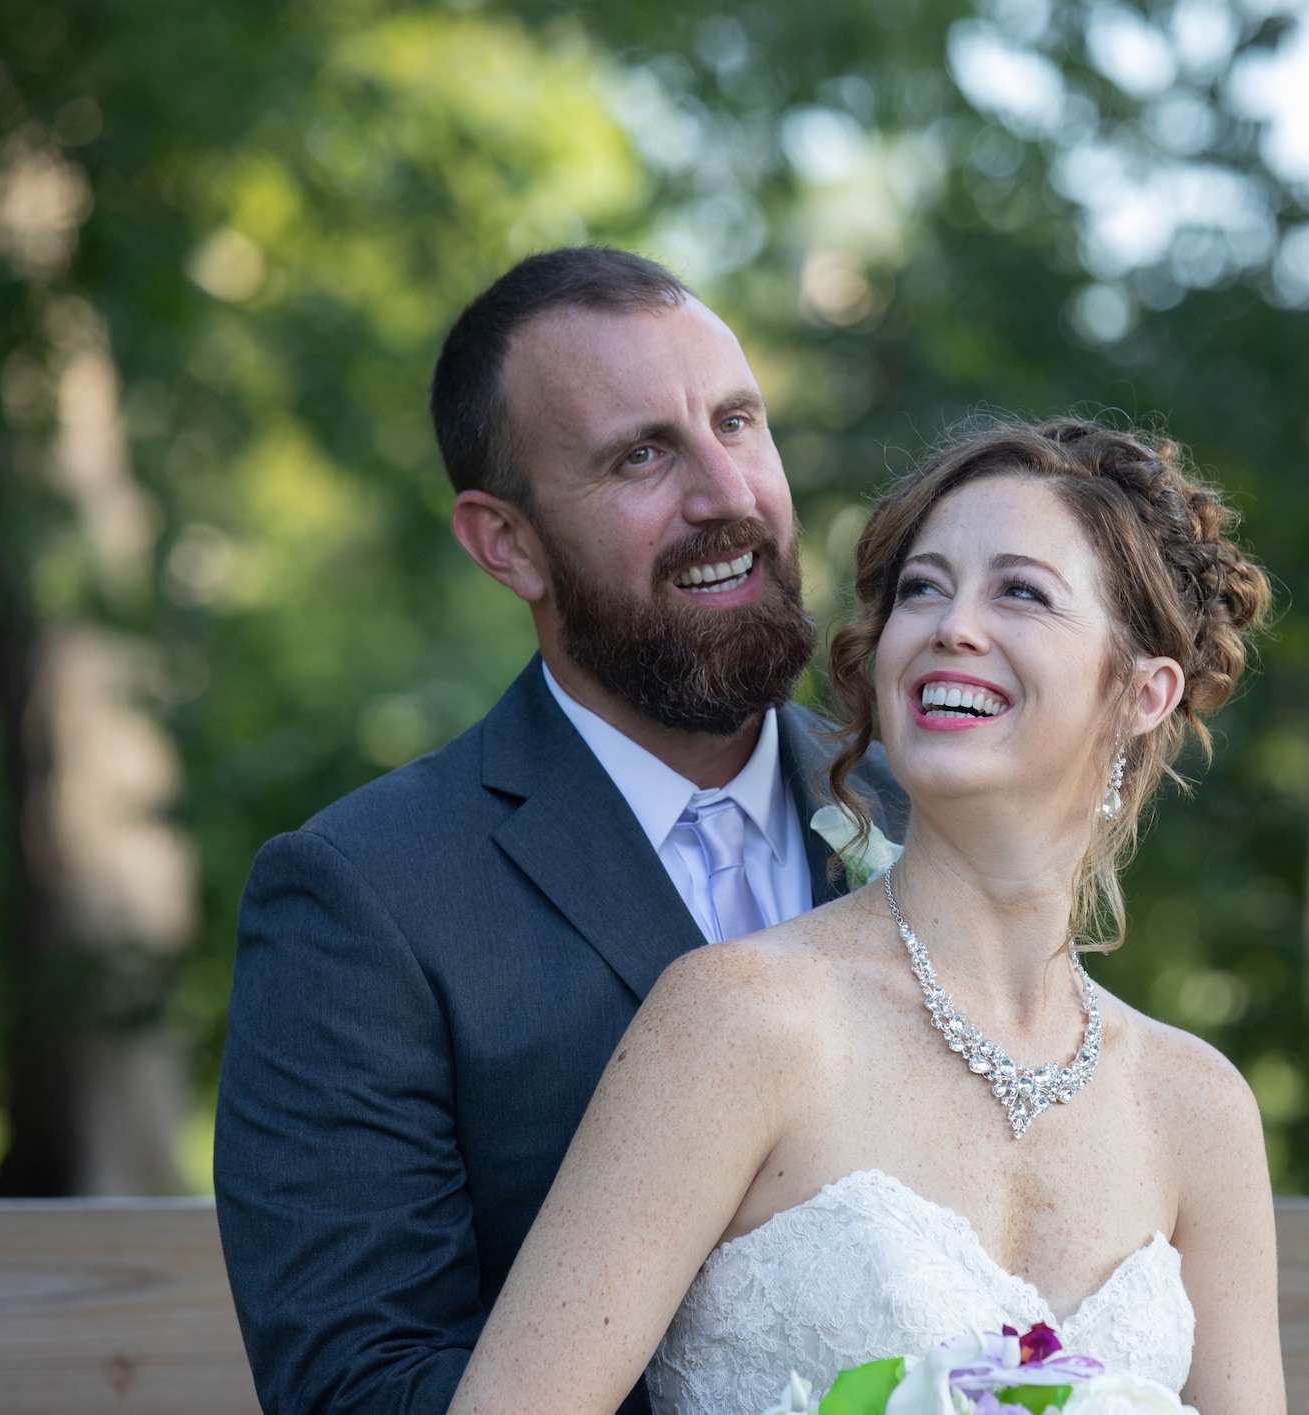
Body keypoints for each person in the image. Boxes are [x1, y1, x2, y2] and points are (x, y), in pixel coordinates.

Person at [446, 418, 1283, 1415]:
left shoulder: (1197, 1107)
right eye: (921, 588)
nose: (950, 625)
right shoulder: (737, 1019)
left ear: (1144, 690)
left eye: (1019, 590)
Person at [214, 247, 907, 1415]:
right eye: (641, 454)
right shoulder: (362, 896)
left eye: (736, 422)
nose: (725, 494)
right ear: (507, 543)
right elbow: (359, 1386)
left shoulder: (924, 816)